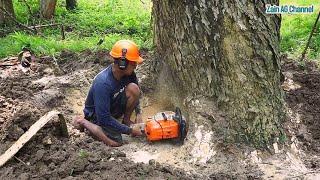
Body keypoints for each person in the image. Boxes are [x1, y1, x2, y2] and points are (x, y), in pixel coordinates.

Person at [74, 40, 144, 147]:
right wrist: (130, 131)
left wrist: (138, 113)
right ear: (122, 63)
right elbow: (104, 118)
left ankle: (125, 120)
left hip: (110, 107)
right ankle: (85, 123)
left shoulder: (129, 74)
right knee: (115, 142)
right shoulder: (103, 83)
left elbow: (137, 91)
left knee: (134, 89)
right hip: (97, 115)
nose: (135, 65)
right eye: (133, 62)